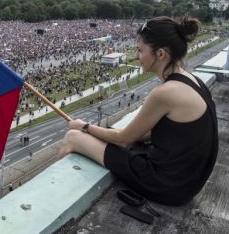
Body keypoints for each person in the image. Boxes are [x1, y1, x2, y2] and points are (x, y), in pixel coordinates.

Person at [58, 16, 218, 206]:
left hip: (167, 186)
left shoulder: (165, 92)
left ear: (160, 54)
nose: (136, 56)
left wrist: (84, 126)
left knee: (72, 137)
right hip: (185, 183)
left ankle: (56, 197)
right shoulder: (193, 80)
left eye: (140, 50)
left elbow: (123, 140)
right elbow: (154, 133)